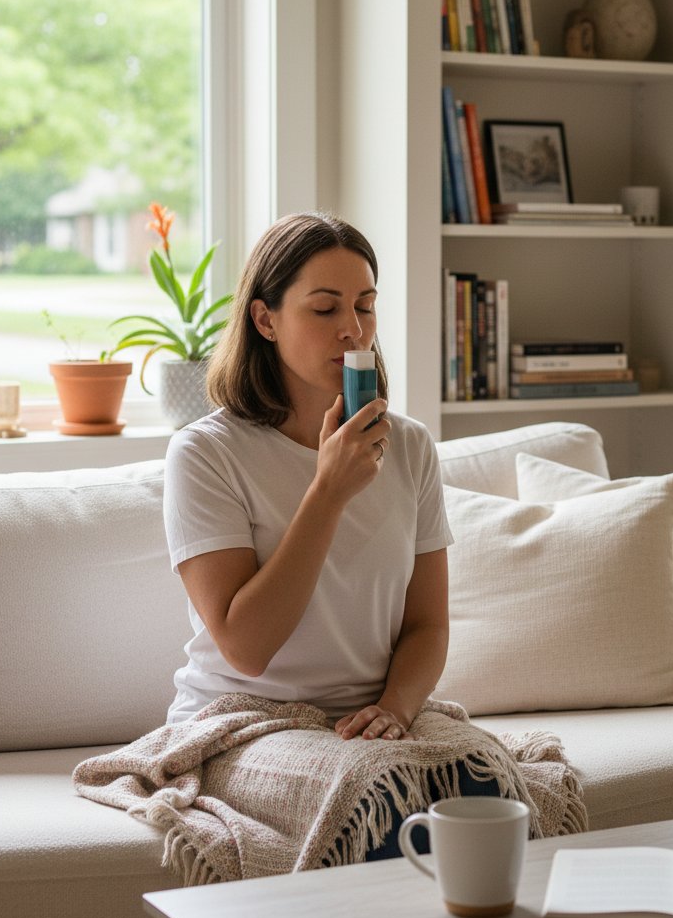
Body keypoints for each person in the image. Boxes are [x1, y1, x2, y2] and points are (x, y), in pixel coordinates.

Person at [162, 212, 505, 861]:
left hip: (369, 717)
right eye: (324, 309)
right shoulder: (206, 455)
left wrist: (397, 709)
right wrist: (327, 493)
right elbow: (246, 646)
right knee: (380, 799)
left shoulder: (407, 447)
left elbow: (428, 625)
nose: (353, 329)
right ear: (265, 320)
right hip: (245, 721)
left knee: (488, 789)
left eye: (365, 306)